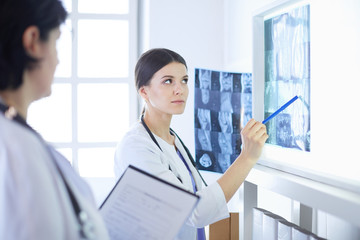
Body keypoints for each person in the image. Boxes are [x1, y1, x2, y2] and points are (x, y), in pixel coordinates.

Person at [114, 48, 268, 240]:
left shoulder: (172, 139)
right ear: (144, 91)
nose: (180, 89)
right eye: (168, 81)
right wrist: (247, 158)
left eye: (184, 80)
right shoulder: (135, 147)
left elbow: (197, 199)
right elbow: (194, 212)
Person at [0, 0, 109, 239]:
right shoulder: (16, 149)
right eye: (56, 41)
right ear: (33, 42)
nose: (58, 60)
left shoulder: (16, 137)